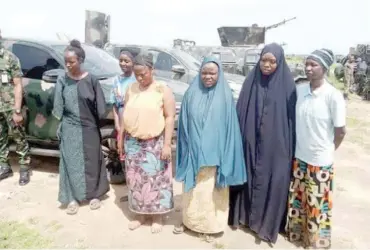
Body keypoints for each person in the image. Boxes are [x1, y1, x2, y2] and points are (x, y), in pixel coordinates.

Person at [228, 43, 297, 244]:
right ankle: (244, 218)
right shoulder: (251, 81)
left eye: (272, 61)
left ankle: (265, 225)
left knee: (272, 179)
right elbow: (241, 111)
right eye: (263, 60)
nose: (266, 65)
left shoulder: (288, 87)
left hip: (275, 146)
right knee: (248, 176)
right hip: (250, 142)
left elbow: (291, 121)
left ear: (279, 62)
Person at [173, 57, 247, 239]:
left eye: (212, 73)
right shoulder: (191, 92)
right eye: (204, 72)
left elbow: (229, 129)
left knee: (211, 193)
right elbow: (183, 123)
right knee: (193, 193)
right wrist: (187, 147)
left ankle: (211, 228)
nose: (207, 76)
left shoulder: (225, 95)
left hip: (216, 156)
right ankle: (190, 222)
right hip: (193, 153)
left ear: (219, 74)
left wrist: (225, 154)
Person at [286, 49, 346, 249]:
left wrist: (327, 151)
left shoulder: (333, 96)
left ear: (325, 68)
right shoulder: (301, 90)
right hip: (300, 156)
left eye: (314, 65)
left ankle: (315, 242)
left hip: (320, 161)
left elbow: (340, 132)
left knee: (317, 205)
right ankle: (296, 235)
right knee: (298, 201)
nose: (309, 68)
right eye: (307, 64)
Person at [117, 54, 176, 234]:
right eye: (136, 75)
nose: (140, 78)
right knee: (136, 181)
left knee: (157, 180)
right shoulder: (131, 88)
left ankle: (157, 216)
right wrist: (121, 140)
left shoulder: (162, 89)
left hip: (155, 143)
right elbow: (125, 114)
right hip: (133, 143)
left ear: (152, 71)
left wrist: (167, 144)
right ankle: (140, 215)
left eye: (143, 74)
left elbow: (170, 117)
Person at [52, 39, 109, 215]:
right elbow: (58, 107)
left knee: (92, 161)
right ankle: (72, 198)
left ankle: (94, 195)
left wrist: (95, 125)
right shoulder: (62, 80)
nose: (68, 65)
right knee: (70, 162)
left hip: (89, 127)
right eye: (66, 61)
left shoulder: (92, 80)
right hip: (69, 127)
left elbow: (100, 109)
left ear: (81, 60)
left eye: (72, 62)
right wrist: (61, 126)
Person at [0, 29, 31, 186]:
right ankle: (4, 166)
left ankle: (24, 168)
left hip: (10, 107)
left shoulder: (9, 58)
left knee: (19, 137)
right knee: (0, 138)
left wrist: (17, 110)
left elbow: (18, 85)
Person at [110, 50, 136, 158]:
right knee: (123, 150)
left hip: (134, 120)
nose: (123, 63)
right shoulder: (116, 80)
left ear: (133, 62)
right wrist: (117, 124)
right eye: (121, 60)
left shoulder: (137, 79)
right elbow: (115, 104)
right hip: (121, 119)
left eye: (126, 61)